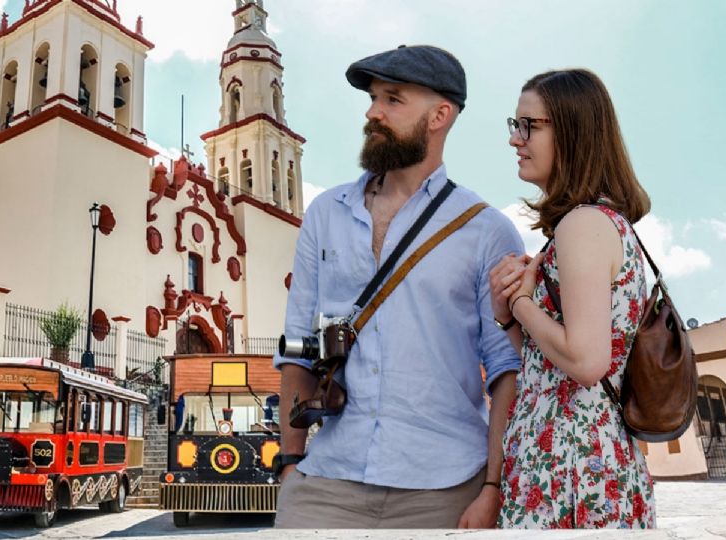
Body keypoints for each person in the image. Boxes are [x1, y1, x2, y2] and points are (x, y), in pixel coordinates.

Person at [272, 45, 524, 529]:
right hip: (327, 481)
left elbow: (506, 369)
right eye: (372, 98)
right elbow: (297, 349)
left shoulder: (484, 229)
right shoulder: (325, 214)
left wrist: (493, 486)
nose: (372, 112)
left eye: (392, 99)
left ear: (439, 115)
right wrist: (289, 463)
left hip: (446, 486)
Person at [492, 69, 656, 528]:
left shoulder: (581, 225)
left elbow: (585, 363)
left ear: (573, 131)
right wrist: (509, 319)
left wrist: (523, 305)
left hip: (571, 470)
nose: (515, 140)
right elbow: (552, 371)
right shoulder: (593, 222)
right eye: (515, 124)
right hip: (573, 463)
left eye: (530, 125)